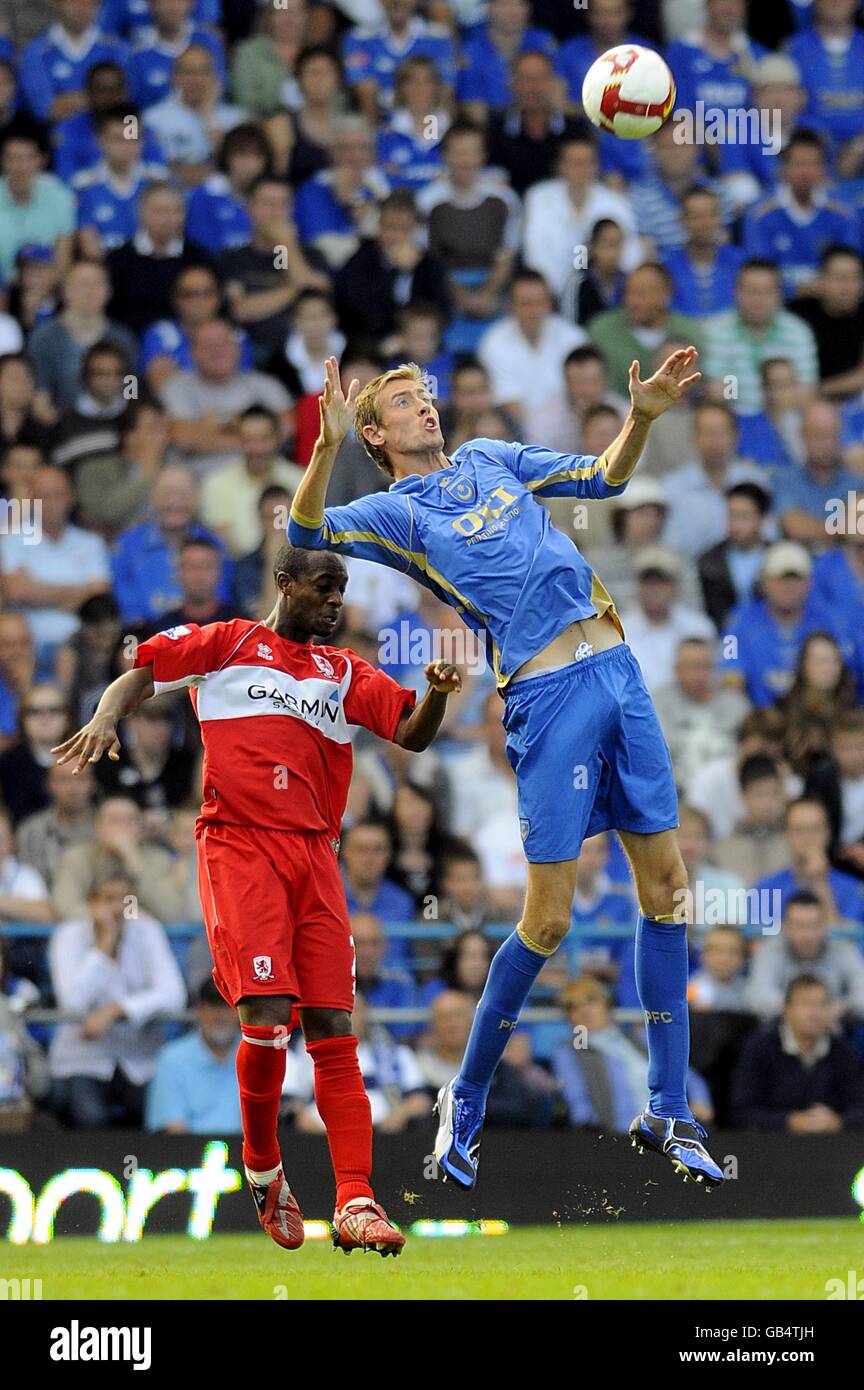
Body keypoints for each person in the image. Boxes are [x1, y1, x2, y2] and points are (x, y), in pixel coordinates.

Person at [287, 345, 728, 1189]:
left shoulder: (492, 457)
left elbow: (602, 480)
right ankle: (469, 1095)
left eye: (428, 395)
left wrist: (641, 416)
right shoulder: (396, 510)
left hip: (618, 669)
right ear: (375, 431)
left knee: (669, 889)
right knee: (550, 918)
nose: (429, 408)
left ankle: (667, 1107)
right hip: (546, 695)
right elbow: (305, 535)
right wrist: (323, 446)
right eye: (409, 402)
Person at [52, 538, 462, 1254]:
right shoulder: (227, 643)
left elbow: (409, 733)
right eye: (324, 587)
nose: (335, 601)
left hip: (315, 857)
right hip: (239, 846)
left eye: (342, 591)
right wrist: (107, 714)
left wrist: (436, 693)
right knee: (268, 1014)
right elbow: (141, 672)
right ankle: (264, 1164)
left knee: (335, 1024)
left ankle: (357, 1199)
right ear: (285, 583)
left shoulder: (344, 673)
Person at [48, 867, 187, 1129]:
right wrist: (104, 945)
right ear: (91, 902)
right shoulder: (68, 935)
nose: (117, 907)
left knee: (155, 1115)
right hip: (82, 1058)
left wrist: (117, 1010)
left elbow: (173, 994)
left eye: (125, 899)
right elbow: (72, 1002)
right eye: (108, 899)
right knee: (90, 1117)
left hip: (139, 1059)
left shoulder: (147, 931)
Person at [730, 974, 864, 1131]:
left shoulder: (843, 1050)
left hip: (830, 1145)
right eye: (806, 1004)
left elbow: (859, 1106)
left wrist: (838, 1121)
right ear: (786, 1010)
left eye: (822, 1004)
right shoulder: (760, 1047)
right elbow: (740, 1110)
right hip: (770, 1146)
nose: (814, 1013)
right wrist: (789, 1121)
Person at [745, 889, 864, 1023]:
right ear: (786, 926)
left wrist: (840, 1008)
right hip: (782, 1030)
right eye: (799, 926)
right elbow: (756, 996)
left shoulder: (843, 949)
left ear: (825, 926)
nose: (807, 935)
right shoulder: (770, 950)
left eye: (813, 926)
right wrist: (804, 1012)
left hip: (836, 1027)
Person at [145, 977, 242, 1134]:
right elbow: (173, 1129)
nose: (220, 1016)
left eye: (226, 1007)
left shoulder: (259, 1055)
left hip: (250, 1153)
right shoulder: (172, 1059)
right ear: (199, 1011)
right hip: (189, 1154)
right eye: (212, 1007)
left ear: (239, 1012)